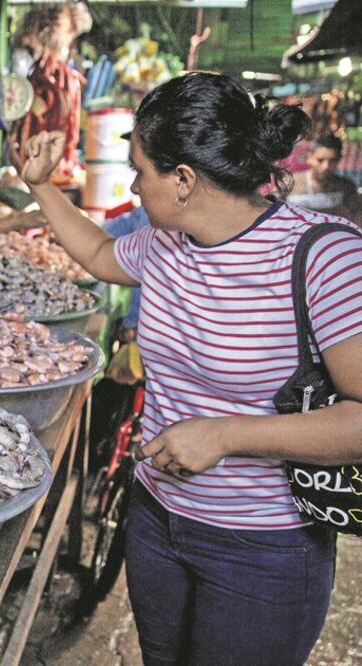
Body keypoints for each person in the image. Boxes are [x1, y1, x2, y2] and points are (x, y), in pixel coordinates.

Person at [22, 72, 362, 665]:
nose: (132, 184)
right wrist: (42, 187)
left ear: (182, 180)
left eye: (140, 170)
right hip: (157, 519)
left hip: (267, 548)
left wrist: (228, 435)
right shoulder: (165, 244)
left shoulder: (323, 256)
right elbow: (101, 254)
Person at [287, 133, 361, 221]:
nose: (326, 166)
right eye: (320, 160)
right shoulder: (290, 183)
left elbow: (357, 216)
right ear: (309, 157)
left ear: (339, 159)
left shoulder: (345, 186)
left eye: (332, 161)